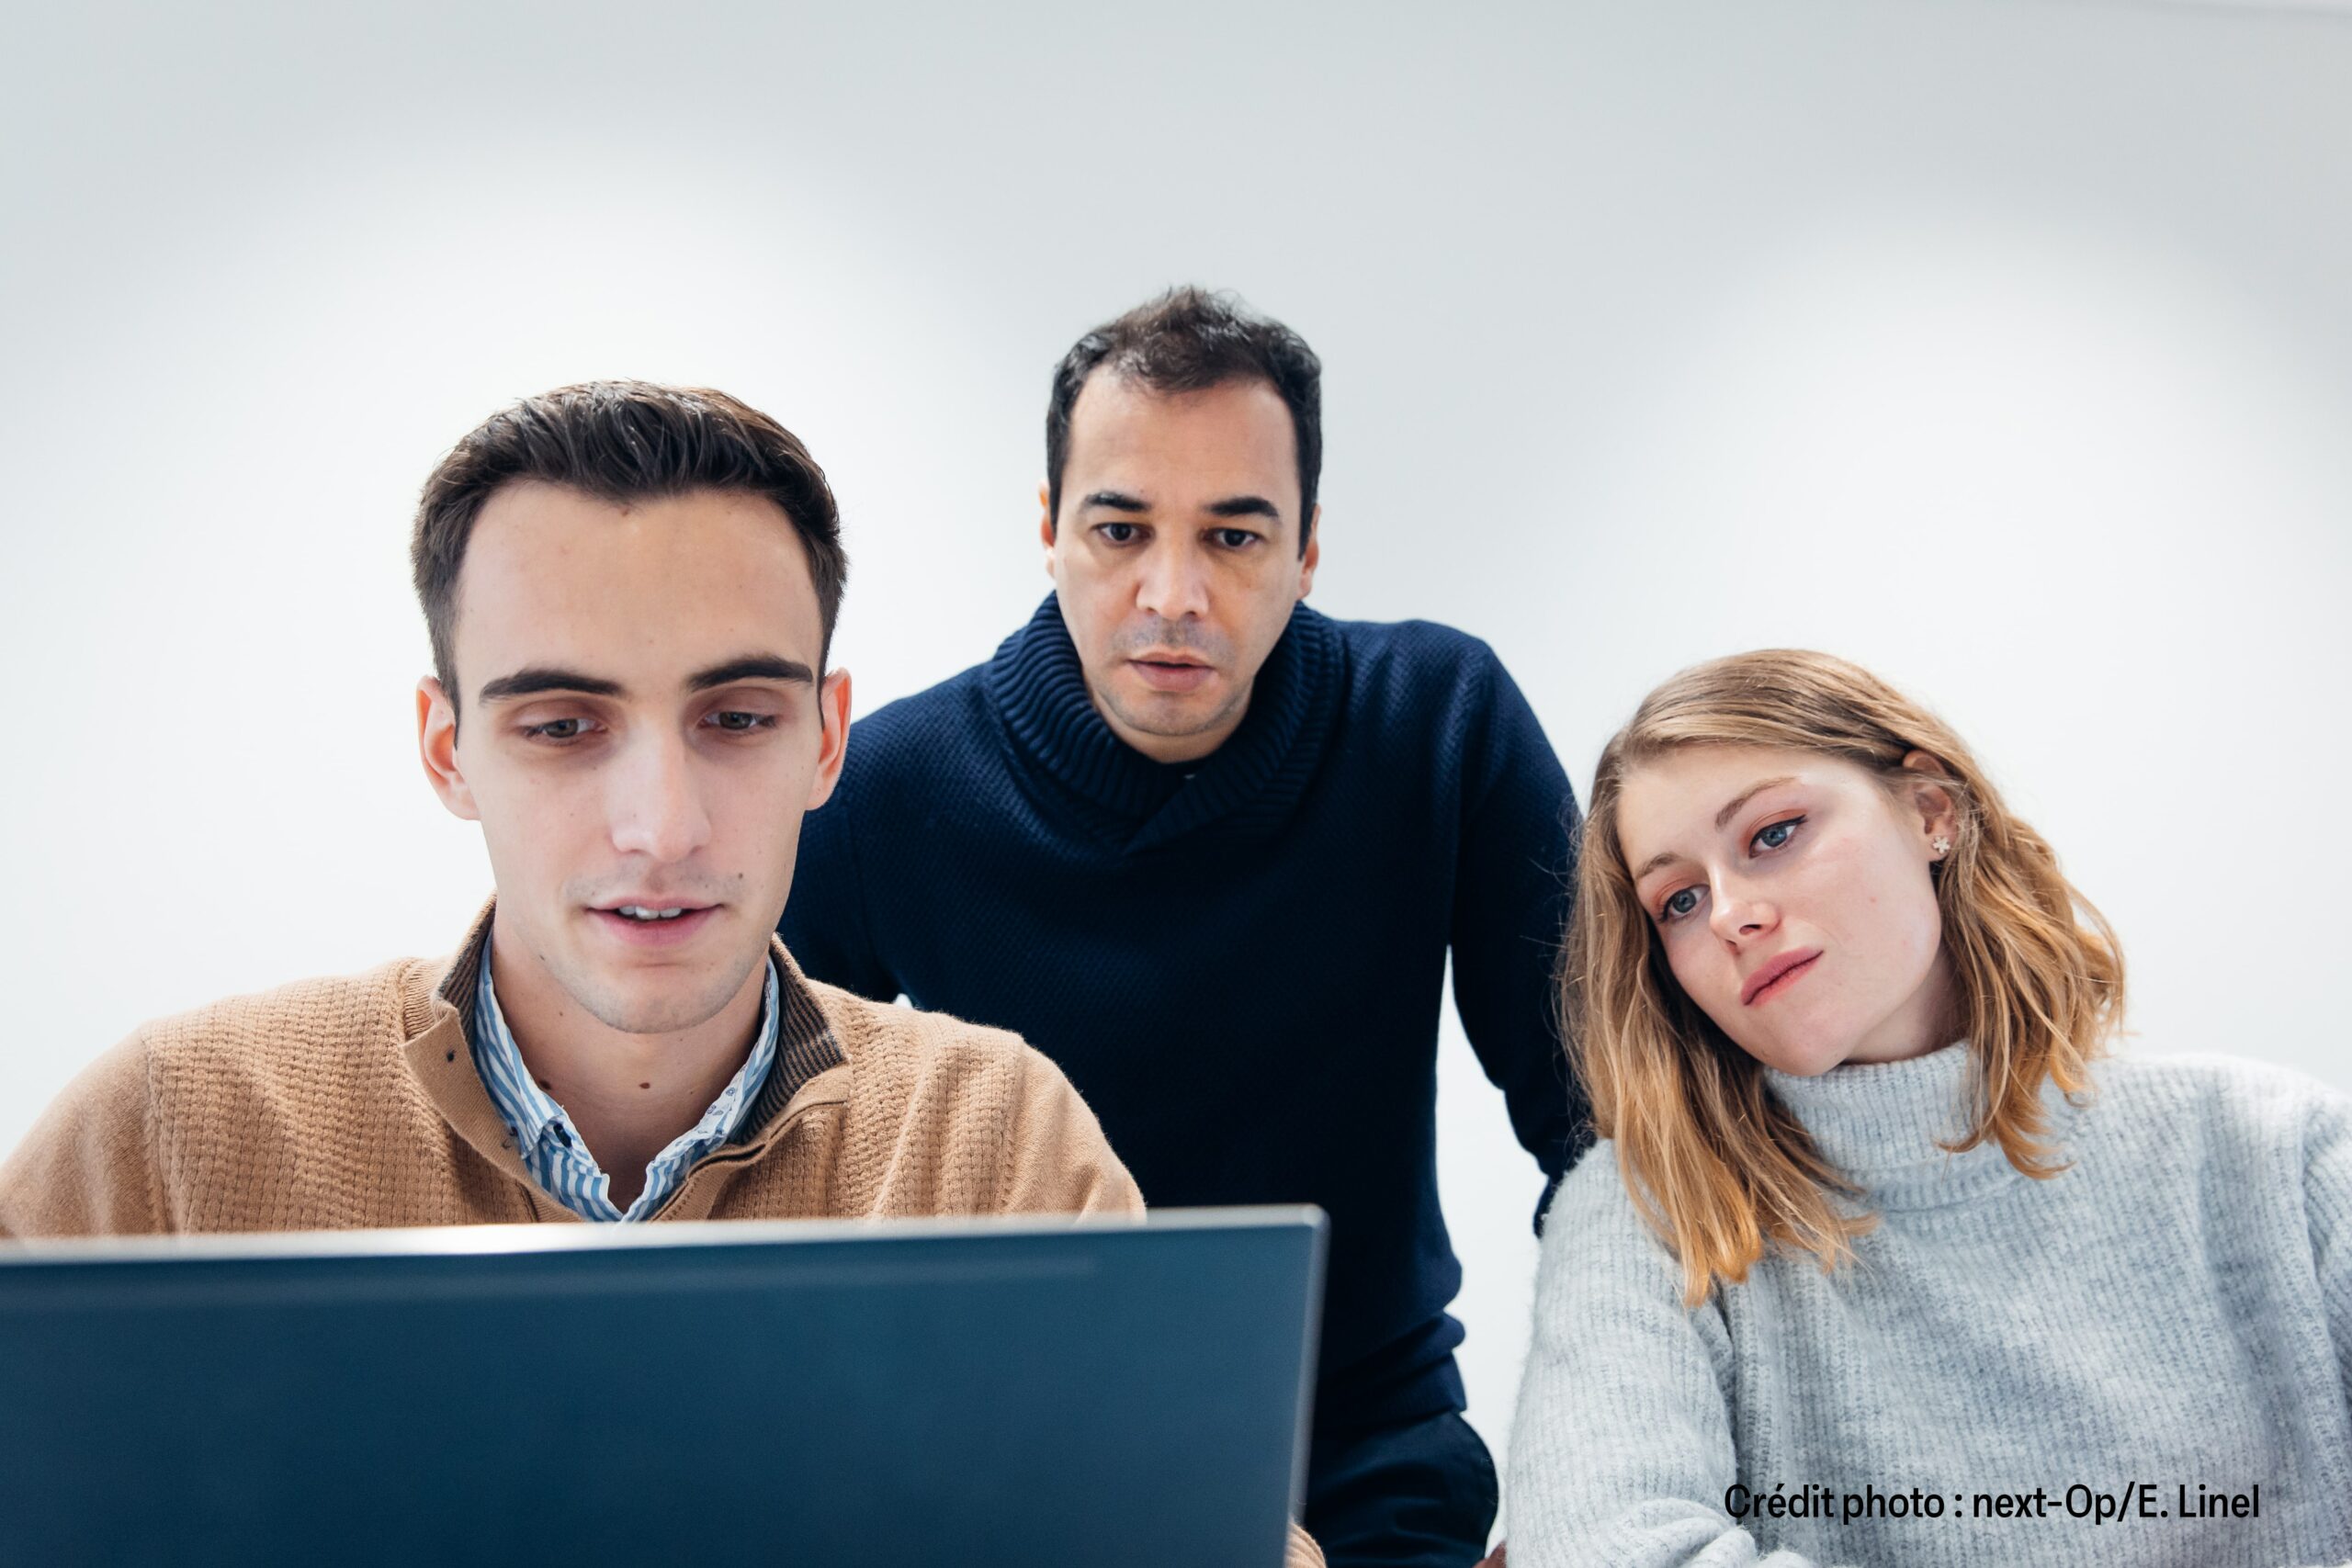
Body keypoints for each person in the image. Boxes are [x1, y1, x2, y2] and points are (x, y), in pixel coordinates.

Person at [778, 287, 1586, 1567]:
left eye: (1234, 535)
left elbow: (1607, 1136)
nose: (1174, 591)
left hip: (1369, 1458)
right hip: (1018, 1466)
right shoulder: (887, 787)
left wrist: (1596, 1482)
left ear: (1309, 548)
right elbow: (758, 1186)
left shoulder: (1439, 722)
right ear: (1048, 530)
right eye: (1120, 527)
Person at [0, 380, 1142, 1238]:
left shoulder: (993, 1154)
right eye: (561, 727)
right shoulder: (176, 1143)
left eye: (737, 719)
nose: (661, 829)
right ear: (447, 751)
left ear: (827, 740)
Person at [1506, 649, 2352, 1568]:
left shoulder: (2277, 1150)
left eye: (1773, 834)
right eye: (1677, 899)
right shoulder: (1644, 1214)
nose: (1730, 915)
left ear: (1929, 811)